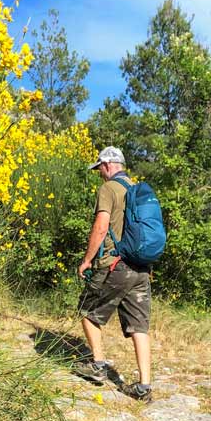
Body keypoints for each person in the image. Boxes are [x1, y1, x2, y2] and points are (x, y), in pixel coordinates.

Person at [74, 146, 153, 402]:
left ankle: (97, 365)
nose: (99, 173)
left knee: (87, 310)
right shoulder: (137, 188)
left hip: (115, 264)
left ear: (108, 165)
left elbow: (101, 226)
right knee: (139, 326)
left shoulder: (109, 189)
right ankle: (144, 386)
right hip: (141, 268)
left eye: (99, 168)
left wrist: (87, 260)